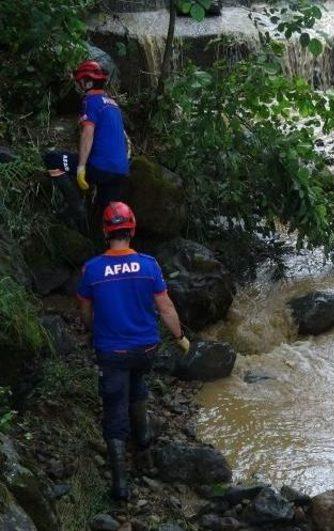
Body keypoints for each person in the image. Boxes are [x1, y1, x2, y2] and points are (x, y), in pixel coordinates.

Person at [77, 202, 190, 500]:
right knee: (138, 386)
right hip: (146, 348)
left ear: (105, 231)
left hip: (111, 352)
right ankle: (143, 444)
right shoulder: (148, 264)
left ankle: (120, 485)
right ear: (132, 228)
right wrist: (179, 336)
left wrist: (92, 330)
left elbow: (86, 312)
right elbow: (165, 308)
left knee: (114, 408)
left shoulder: (92, 269)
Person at [74, 60, 129, 210]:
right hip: (121, 170)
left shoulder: (91, 102)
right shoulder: (113, 104)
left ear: (88, 83)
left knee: (54, 159)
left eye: (81, 82)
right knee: (107, 212)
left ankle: (75, 212)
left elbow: (87, 134)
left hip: (101, 169)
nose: (79, 85)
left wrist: (81, 167)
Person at [42, 150, 88, 234]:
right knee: (79, 208)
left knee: (79, 204)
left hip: (61, 161)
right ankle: (82, 234)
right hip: (56, 167)